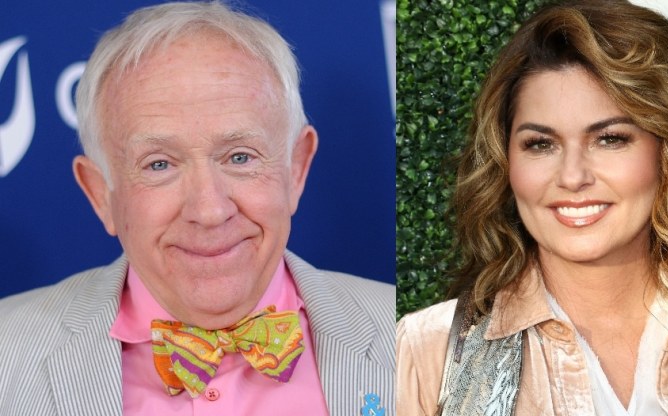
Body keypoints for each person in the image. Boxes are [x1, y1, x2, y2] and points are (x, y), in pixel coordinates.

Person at [397, 1, 668, 415]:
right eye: (540, 144)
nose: (572, 177)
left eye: (609, 139)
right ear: (505, 163)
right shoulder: (429, 354)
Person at [0, 2, 394, 415]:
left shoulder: (400, 333)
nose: (209, 210)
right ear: (101, 194)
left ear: (296, 169)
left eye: (239, 157)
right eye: (159, 164)